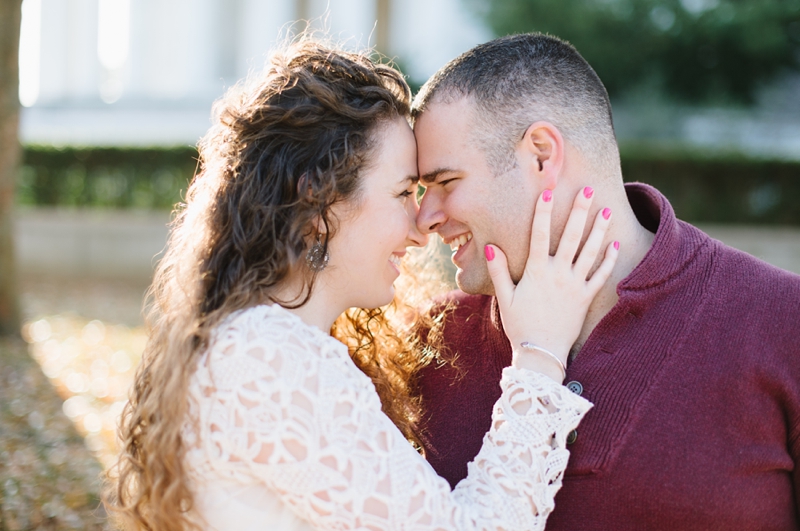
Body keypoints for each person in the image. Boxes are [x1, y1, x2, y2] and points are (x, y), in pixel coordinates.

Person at [105, 39, 620, 531]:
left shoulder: (258, 344)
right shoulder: (273, 361)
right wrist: (539, 357)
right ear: (320, 205)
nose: (422, 227)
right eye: (403, 193)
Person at [410, 32, 800, 531]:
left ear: (541, 156)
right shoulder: (424, 344)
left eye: (444, 183)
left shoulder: (783, 321)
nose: (425, 218)